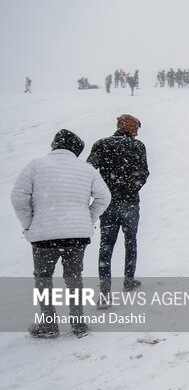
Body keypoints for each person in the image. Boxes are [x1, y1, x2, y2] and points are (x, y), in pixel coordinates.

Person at [11, 129, 111, 338]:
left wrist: (29, 223)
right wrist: (88, 219)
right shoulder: (86, 169)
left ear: (54, 145)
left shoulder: (35, 165)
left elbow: (19, 197)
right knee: (74, 278)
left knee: (43, 279)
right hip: (76, 236)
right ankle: (78, 324)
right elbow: (104, 197)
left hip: (44, 236)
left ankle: (49, 325)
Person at [87, 115, 149, 304]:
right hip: (130, 202)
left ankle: (105, 290)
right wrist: (131, 188)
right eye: (136, 128)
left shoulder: (101, 144)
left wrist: (104, 190)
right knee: (130, 242)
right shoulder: (137, 146)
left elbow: (88, 170)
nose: (137, 132)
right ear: (129, 128)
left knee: (106, 246)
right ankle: (129, 279)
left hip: (107, 203)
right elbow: (144, 173)